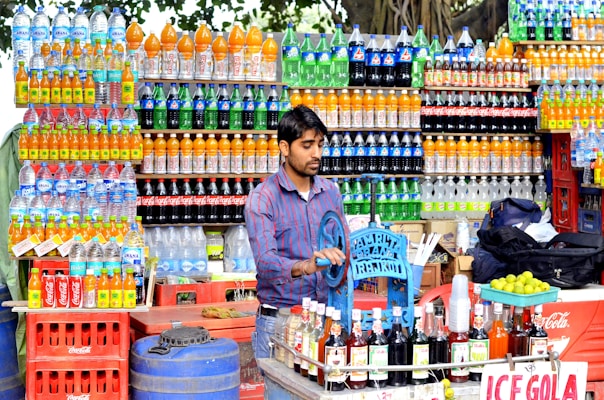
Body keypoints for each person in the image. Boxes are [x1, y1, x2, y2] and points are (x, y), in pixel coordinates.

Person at [245, 105, 349, 360]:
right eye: (307, 145)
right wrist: (307, 266)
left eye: (320, 145)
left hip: (325, 320)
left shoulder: (330, 193)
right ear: (284, 147)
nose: (316, 154)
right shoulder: (263, 198)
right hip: (280, 322)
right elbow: (266, 263)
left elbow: (345, 248)